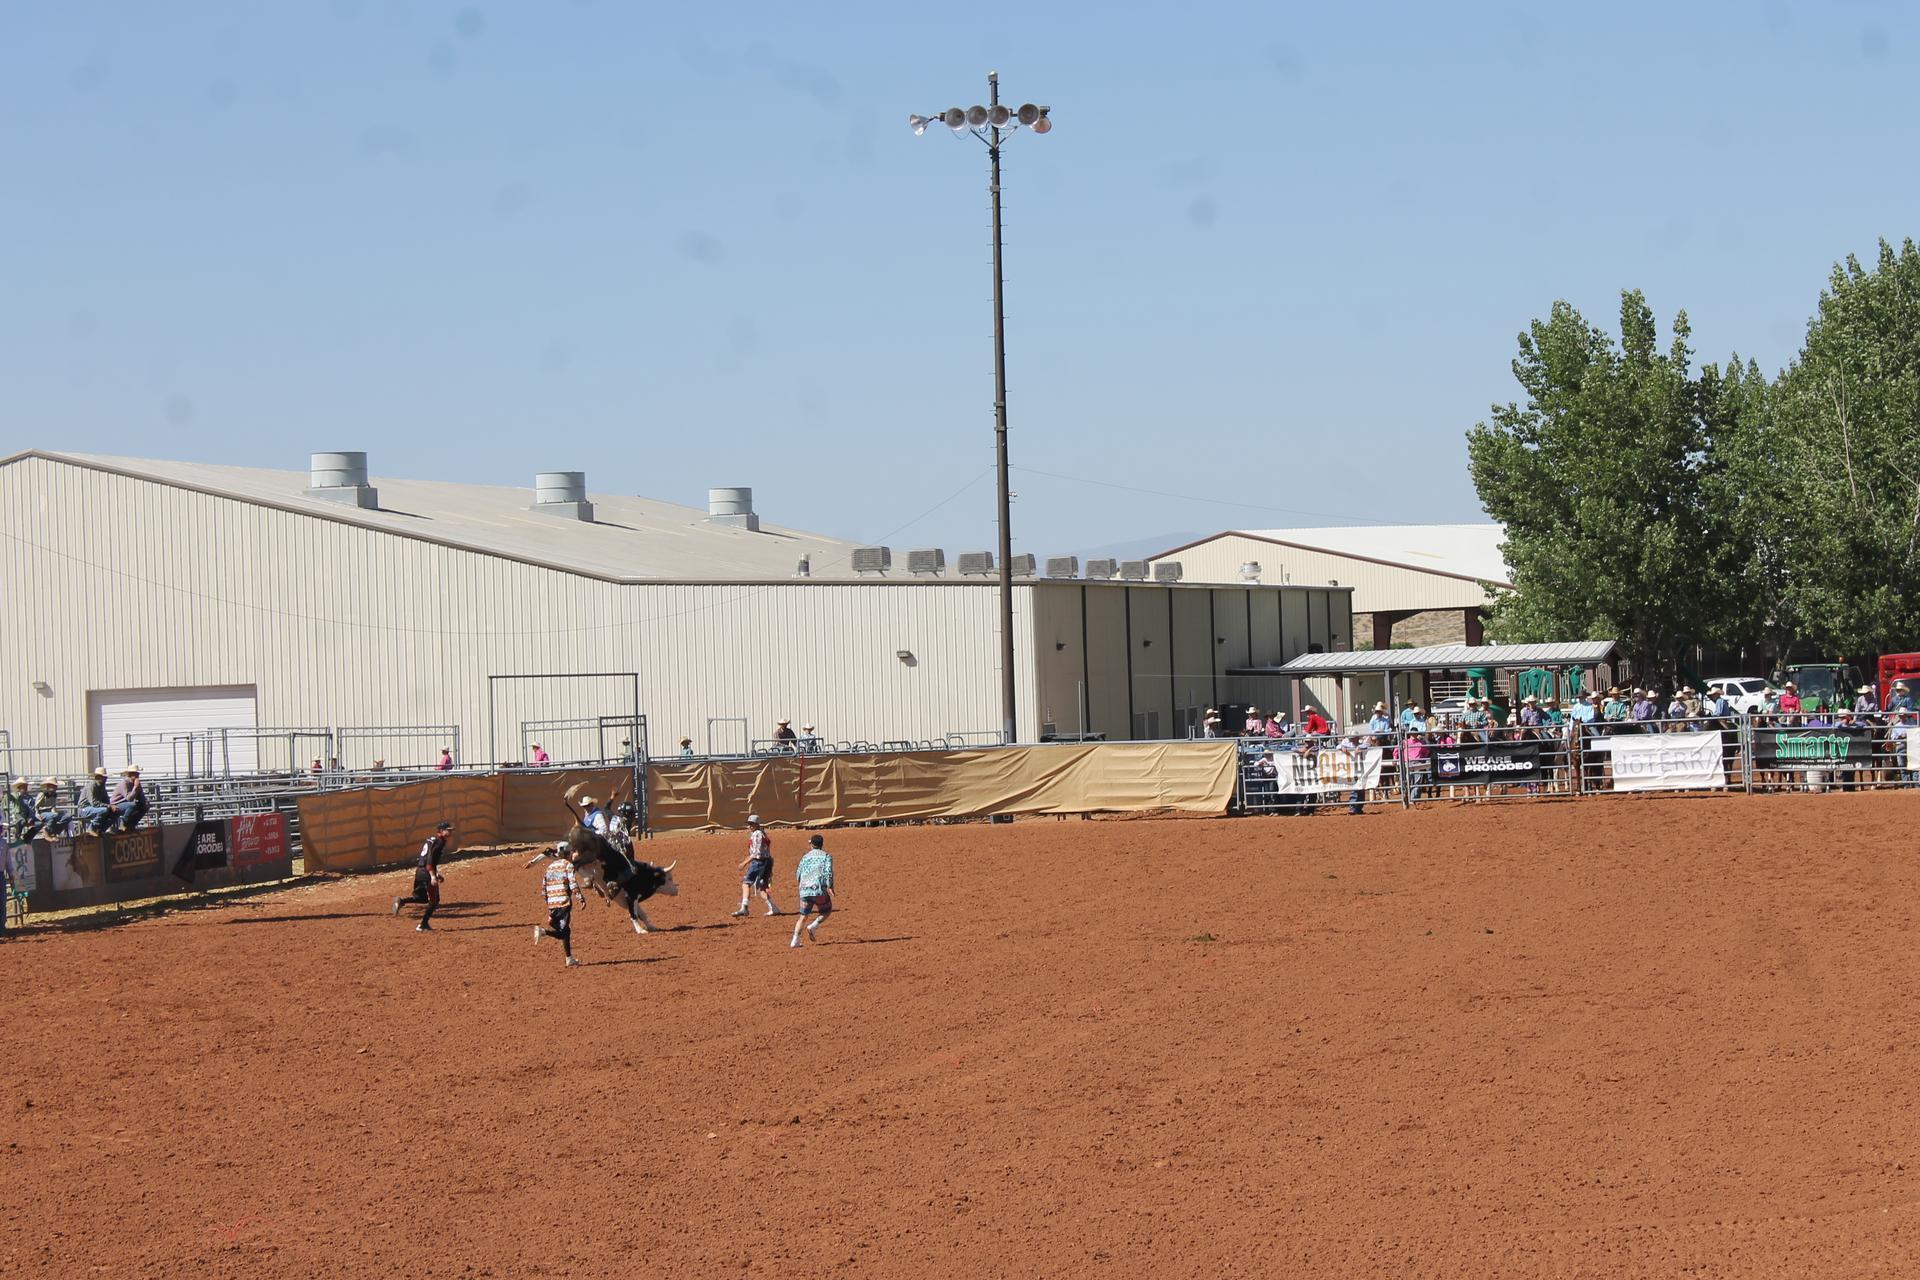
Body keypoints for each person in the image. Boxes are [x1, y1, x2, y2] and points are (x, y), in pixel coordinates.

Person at [392, 821, 453, 931]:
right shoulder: (439, 842)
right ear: (441, 831)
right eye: (448, 830)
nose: (450, 832)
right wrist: (433, 876)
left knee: (422, 898)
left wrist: (436, 873)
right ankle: (423, 924)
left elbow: (427, 859)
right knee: (434, 901)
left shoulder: (432, 840)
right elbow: (430, 860)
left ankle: (402, 901)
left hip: (420, 871)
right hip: (426, 873)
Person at [533, 840, 585, 967]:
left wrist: (549, 906)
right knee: (564, 932)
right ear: (568, 854)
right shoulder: (568, 865)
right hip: (563, 902)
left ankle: (569, 958)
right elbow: (572, 882)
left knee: (565, 930)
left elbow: (544, 887)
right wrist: (580, 897)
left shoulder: (550, 867)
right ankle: (543, 932)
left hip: (552, 903)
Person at [789, 834, 836, 949]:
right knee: (826, 910)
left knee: (803, 915)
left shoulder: (805, 857)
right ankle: (813, 926)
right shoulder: (826, 856)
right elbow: (828, 873)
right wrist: (830, 887)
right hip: (819, 890)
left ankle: (795, 940)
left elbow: (798, 873)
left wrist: (802, 885)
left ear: (811, 844)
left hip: (805, 890)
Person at [732, 814, 780, 916]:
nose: (750, 826)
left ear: (757, 824)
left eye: (752, 824)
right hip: (765, 862)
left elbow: (756, 854)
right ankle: (774, 908)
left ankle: (744, 907)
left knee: (746, 883)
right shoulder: (761, 833)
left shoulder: (757, 834)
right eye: (749, 824)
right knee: (762, 888)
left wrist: (744, 863)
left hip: (758, 863)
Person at [109, 766, 148, 832]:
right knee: (132, 805)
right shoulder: (124, 783)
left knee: (143, 806)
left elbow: (141, 797)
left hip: (127, 804)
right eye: (136, 774)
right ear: (131, 774)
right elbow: (129, 798)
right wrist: (135, 787)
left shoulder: (135, 783)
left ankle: (131, 825)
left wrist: (145, 802)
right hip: (116, 804)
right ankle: (124, 823)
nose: (138, 775)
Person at [6, 779, 42, 844]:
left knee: (39, 823)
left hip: (27, 816)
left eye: (25, 786)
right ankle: (17, 836)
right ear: (19, 788)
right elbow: (10, 799)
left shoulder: (30, 798)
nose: (25, 788)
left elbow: (32, 809)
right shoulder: (15, 795)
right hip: (17, 815)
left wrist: (30, 818)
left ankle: (27, 838)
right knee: (21, 821)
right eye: (23, 787)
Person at [79, 767, 113, 834]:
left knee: (113, 812)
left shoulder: (101, 786)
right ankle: (92, 828)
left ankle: (100, 830)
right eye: (104, 777)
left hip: (94, 808)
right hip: (84, 808)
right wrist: (108, 806)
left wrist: (110, 807)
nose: (106, 779)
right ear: (98, 777)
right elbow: (94, 803)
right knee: (104, 810)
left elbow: (106, 799)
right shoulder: (91, 785)